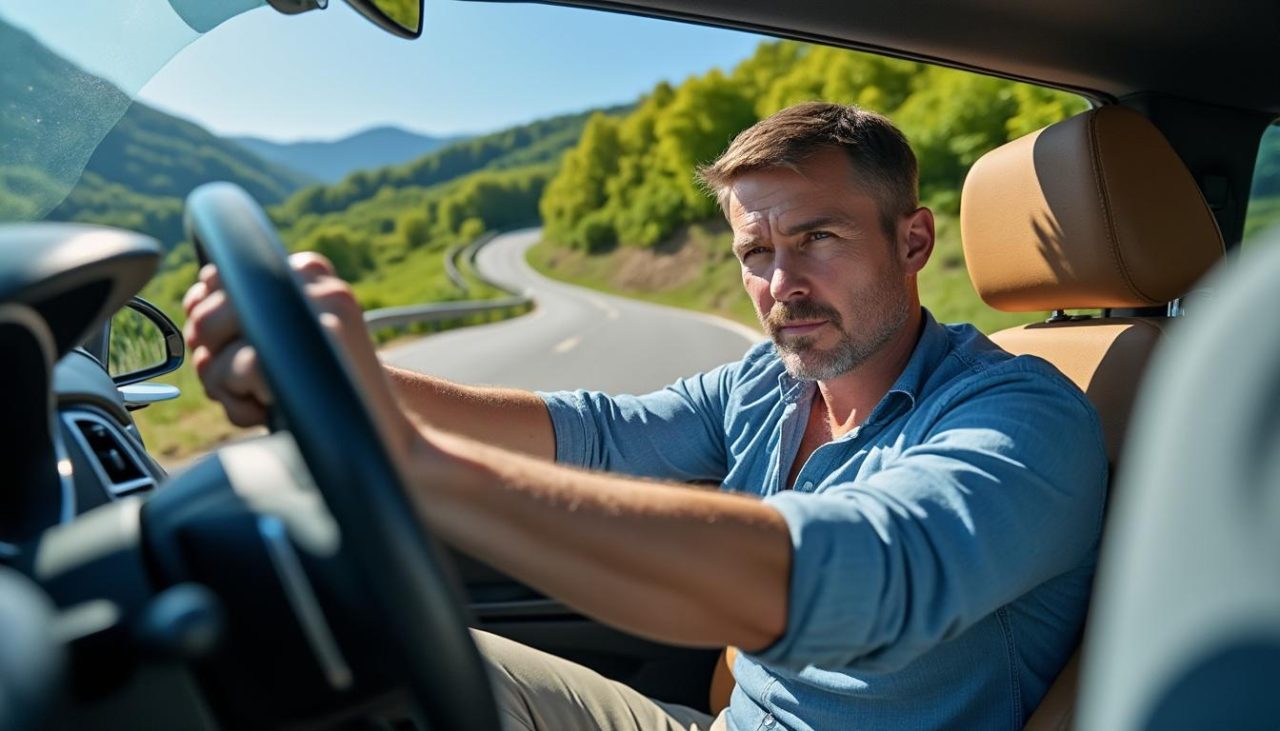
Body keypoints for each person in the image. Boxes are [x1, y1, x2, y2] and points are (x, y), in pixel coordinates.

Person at [184, 102, 1107, 730]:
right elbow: (594, 431)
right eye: (757, 251)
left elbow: (857, 571)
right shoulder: (768, 385)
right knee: (350, 653)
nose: (781, 285)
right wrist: (355, 385)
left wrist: (420, 466)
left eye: (818, 238)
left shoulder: (1025, 417)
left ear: (912, 241)